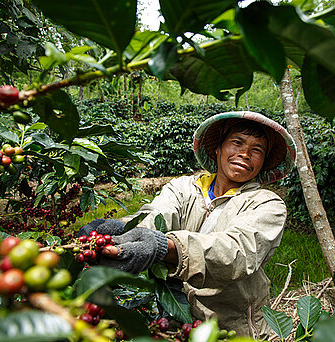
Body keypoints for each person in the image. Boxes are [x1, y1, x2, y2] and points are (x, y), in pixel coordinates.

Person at [79, 111, 296, 338]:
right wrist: (122, 230)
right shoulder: (184, 187)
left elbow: (237, 253)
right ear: (217, 148)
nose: (245, 154)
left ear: (263, 162)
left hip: (232, 328)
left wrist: (167, 247)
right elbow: (157, 215)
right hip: (174, 325)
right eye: (237, 142)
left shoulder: (267, 205)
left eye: (257, 150)